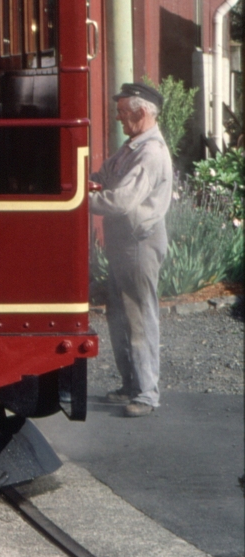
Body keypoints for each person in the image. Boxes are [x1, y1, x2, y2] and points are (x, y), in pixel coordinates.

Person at [91, 82, 173, 417]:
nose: (118, 117)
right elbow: (105, 175)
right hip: (125, 243)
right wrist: (92, 181)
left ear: (141, 112)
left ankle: (147, 393)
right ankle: (131, 384)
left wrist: (82, 200)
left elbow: (121, 201)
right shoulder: (132, 147)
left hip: (140, 243)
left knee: (139, 316)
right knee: (120, 315)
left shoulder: (150, 153)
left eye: (123, 112)